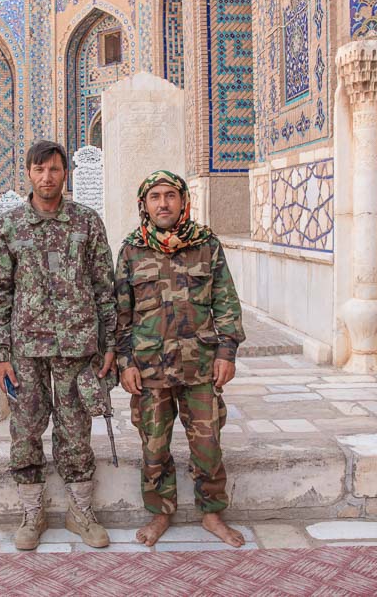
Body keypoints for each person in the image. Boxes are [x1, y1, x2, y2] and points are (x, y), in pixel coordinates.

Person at [0, 140, 116, 551]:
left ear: (64, 174)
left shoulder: (87, 223)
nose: (47, 177)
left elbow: (104, 287)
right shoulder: (8, 228)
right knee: (25, 431)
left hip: (78, 349)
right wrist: (0, 355)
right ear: (28, 174)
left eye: (55, 170)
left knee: (76, 431)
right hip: (26, 352)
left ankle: (80, 512)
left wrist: (109, 344)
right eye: (39, 170)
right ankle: (31, 512)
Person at [114, 169, 246, 548]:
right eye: (155, 197)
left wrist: (227, 352)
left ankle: (211, 512)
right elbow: (120, 315)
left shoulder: (207, 244)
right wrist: (125, 363)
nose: (163, 203)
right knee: (153, 448)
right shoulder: (131, 250)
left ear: (183, 201)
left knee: (208, 447)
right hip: (149, 369)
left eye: (170, 196)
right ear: (144, 205)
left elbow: (225, 301)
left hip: (200, 366)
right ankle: (159, 513)